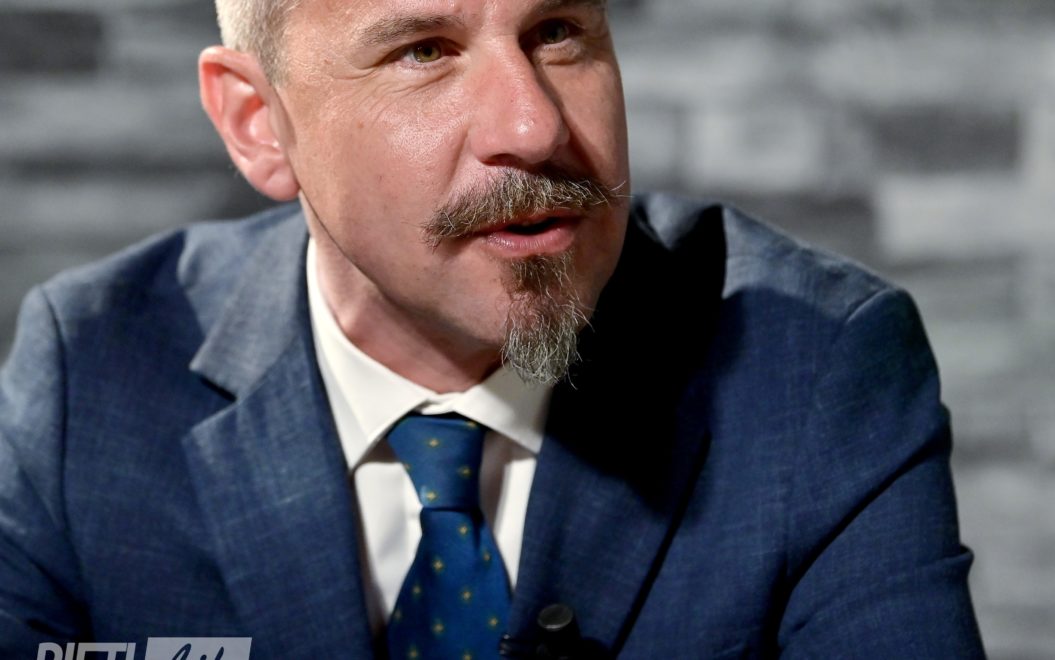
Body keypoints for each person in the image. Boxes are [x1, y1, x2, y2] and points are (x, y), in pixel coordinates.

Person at [0, 0, 985, 657]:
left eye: (557, 31)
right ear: (258, 120)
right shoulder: (90, 374)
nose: (534, 128)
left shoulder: (816, 367)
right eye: (424, 52)